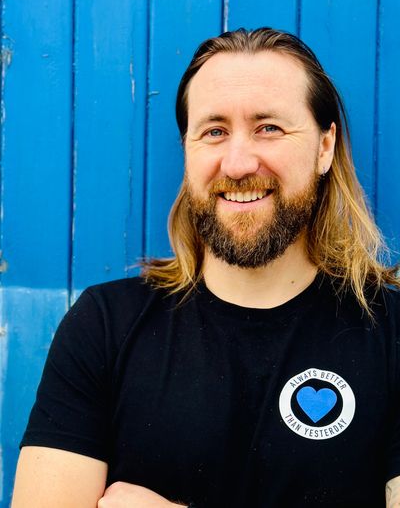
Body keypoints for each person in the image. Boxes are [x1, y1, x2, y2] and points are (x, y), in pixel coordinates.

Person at [11, 27, 400, 508]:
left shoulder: (391, 332)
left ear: (324, 147)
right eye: (214, 131)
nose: (237, 163)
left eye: (269, 128)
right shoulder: (104, 326)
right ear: (188, 150)